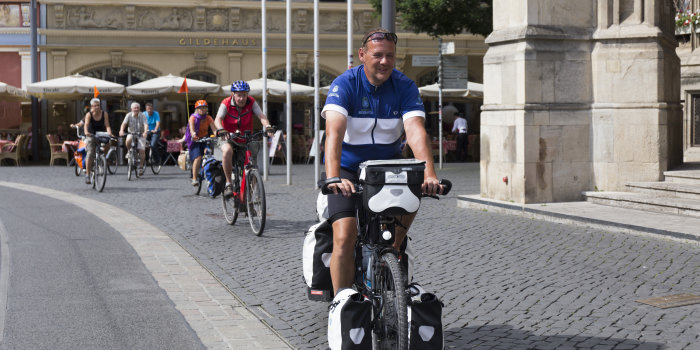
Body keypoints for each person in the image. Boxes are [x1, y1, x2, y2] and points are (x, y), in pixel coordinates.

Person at [322, 28, 442, 295]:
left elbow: (415, 131)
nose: (385, 61)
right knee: (344, 236)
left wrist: (430, 175)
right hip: (347, 168)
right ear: (362, 55)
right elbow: (334, 133)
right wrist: (333, 177)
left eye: (390, 56)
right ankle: (342, 305)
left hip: (388, 168)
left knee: (414, 189)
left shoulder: (404, 86)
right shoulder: (346, 83)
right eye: (378, 55)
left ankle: (393, 250)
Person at [214, 80, 273, 197]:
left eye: (244, 95)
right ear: (233, 95)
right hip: (227, 135)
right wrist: (221, 129)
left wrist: (268, 126)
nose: (242, 98)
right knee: (227, 151)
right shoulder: (225, 103)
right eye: (239, 95)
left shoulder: (251, 102)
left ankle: (249, 195)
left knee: (252, 164)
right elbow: (218, 119)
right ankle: (228, 183)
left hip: (245, 137)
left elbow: (261, 116)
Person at [84, 98, 114, 184]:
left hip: (101, 133)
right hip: (91, 134)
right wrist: (86, 132)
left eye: (98, 105)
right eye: (95, 106)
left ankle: (102, 158)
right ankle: (87, 174)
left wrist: (110, 133)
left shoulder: (104, 114)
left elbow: (107, 125)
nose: (97, 107)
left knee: (108, 143)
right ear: (91, 107)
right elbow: (86, 125)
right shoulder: (89, 114)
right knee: (90, 153)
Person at [185, 100, 215, 186]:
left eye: (204, 107)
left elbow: (214, 129)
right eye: (200, 108)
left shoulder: (208, 118)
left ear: (206, 109)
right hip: (195, 139)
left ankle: (206, 171)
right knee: (198, 157)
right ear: (196, 109)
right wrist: (194, 134)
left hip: (205, 138)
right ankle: (194, 178)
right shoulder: (193, 118)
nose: (202, 109)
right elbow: (192, 129)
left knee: (209, 153)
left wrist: (218, 135)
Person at [119, 102, 148, 176]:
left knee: (142, 149)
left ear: (139, 108)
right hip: (131, 133)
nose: (136, 109)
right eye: (135, 108)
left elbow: (146, 125)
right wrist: (121, 130)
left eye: (137, 108)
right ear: (131, 109)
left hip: (140, 133)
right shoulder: (128, 115)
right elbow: (124, 124)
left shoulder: (143, 115)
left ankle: (141, 167)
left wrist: (145, 132)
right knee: (128, 139)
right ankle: (129, 151)